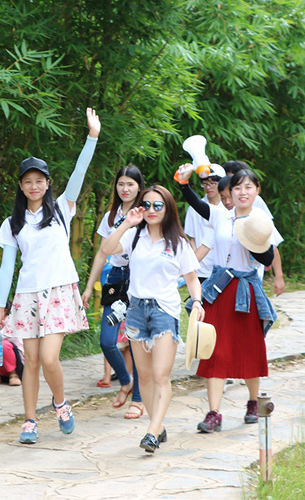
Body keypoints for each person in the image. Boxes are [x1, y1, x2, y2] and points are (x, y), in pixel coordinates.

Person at [0, 108, 101, 444]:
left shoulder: (63, 210)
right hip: (27, 295)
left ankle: (60, 402)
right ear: (21, 186)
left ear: (48, 183)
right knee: (32, 361)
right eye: (28, 181)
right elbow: (8, 265)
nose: (34, 185)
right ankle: (29, 421)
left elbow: (80, 172)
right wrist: (0, 305)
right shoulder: (13, 222)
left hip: (58, 291)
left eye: (40, 180)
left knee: (50, 357)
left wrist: (92, 136)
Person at [100, 185, 204, 453]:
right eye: (147, 205)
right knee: (143, 377)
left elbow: (191, 278)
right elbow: (106, 249)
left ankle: (151, 432)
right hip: (135, 311)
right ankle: (157, 425)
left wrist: (198, 302)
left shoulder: (178, 242)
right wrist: (126, 223)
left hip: (164, 312)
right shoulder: (135, 236)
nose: (152, 210)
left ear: (168, 208)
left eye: (158, 205)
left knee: (161, 375)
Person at [177, 166, 278, 433]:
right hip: (219, 289)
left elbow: (267, 260)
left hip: (246, 290)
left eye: (248, 187)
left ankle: (253, 402)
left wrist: (257, 242)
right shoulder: (221, 216)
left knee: (250, 348)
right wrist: (183, 183)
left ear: (257, 190)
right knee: (214, 350)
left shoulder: (261, 220)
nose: (242, 192)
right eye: (237, 187)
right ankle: (214, 413)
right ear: (230, 192)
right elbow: (195, 203)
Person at [81, 164, 145, 419]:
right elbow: (101, 253)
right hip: (116, 279)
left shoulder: (148, 212)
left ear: (139, 187)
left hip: (140, 280)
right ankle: (126, 380)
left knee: (138, 342)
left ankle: (138, 400)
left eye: (130, 184)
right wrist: (88, 286)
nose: (125, 189)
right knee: (107, 341)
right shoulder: (110, 216)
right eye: (121, 184)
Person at [222, 160, 285, 295]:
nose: (241, 192)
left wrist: (278, 276)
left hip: (251, 275)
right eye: (236, 186)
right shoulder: (223, 207)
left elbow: (270, 239)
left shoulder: (257, 205)